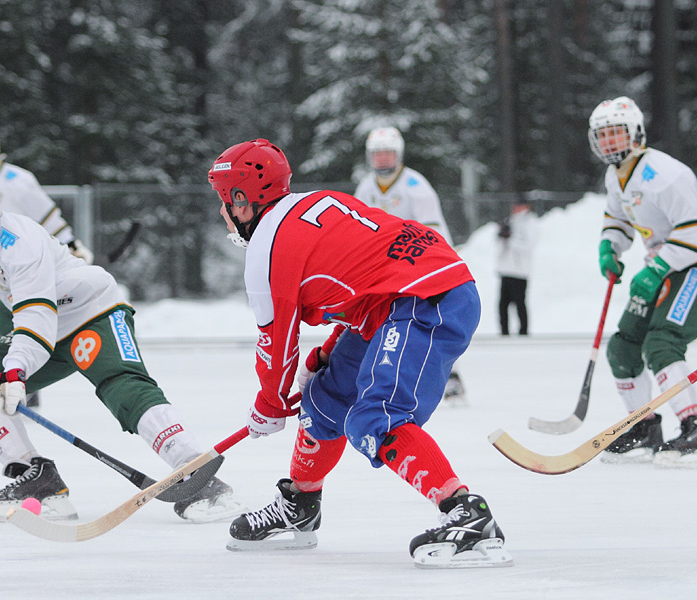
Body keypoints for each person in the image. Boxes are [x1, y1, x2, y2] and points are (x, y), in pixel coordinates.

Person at [207, 138, 512, 568]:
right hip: (404, 294)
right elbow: (366, 278)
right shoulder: (314, 200)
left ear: (244, 200)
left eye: (224, 201)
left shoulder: (265, 251)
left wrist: (269, 405)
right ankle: (299, 506)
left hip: (425, 297)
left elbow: (276, 345)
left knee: (375, 417)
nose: (222, 212)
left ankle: (466, 513)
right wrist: (330, 352)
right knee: (325, 400)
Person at [0, 149, 241, 523]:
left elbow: (35, 311)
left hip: (91, 313)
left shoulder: (19, 237)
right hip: (43, 329)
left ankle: (199, 475)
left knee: (122, 387)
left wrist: (16, 370)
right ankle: (37, 480)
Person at [588, 97, 697, 468]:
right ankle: (644, 427)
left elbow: (696, 233)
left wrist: (656, 268)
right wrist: (609, 247)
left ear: (635, 133)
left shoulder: (667, 175)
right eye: (602, 136)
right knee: (622, 347)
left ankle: (696, 430)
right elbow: (617, 217)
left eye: (616, 133)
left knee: (662, 343)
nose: (609, 143)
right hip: (660, 265)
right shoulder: (615, 175)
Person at [0, 120, 93, 407]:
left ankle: (26, 380)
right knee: (4, 320)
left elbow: (47, 215)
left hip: (29, 260)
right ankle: (18, 376)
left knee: (28, 316)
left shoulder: (17, 179)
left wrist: (70, 244)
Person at [353, 126, 466, 405]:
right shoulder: (365, 187)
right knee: (379, 322)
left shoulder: (415, 186)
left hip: (418, 266)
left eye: (387, 153)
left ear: (398, 154)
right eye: (377, 154)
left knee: (429, 321)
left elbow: (434, 230)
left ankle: (451, 377)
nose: (382, 160)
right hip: (383, 271)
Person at [496, 201, 537, 335]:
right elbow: (499, 242)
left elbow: (529, 245)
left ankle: (523, 331)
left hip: (520, 271)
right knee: (503, 305)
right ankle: (504, 332)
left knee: (520, 303)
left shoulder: (530, 222)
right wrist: (502, 234)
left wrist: (511, 238)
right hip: (506, 269)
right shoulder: (510, 221)